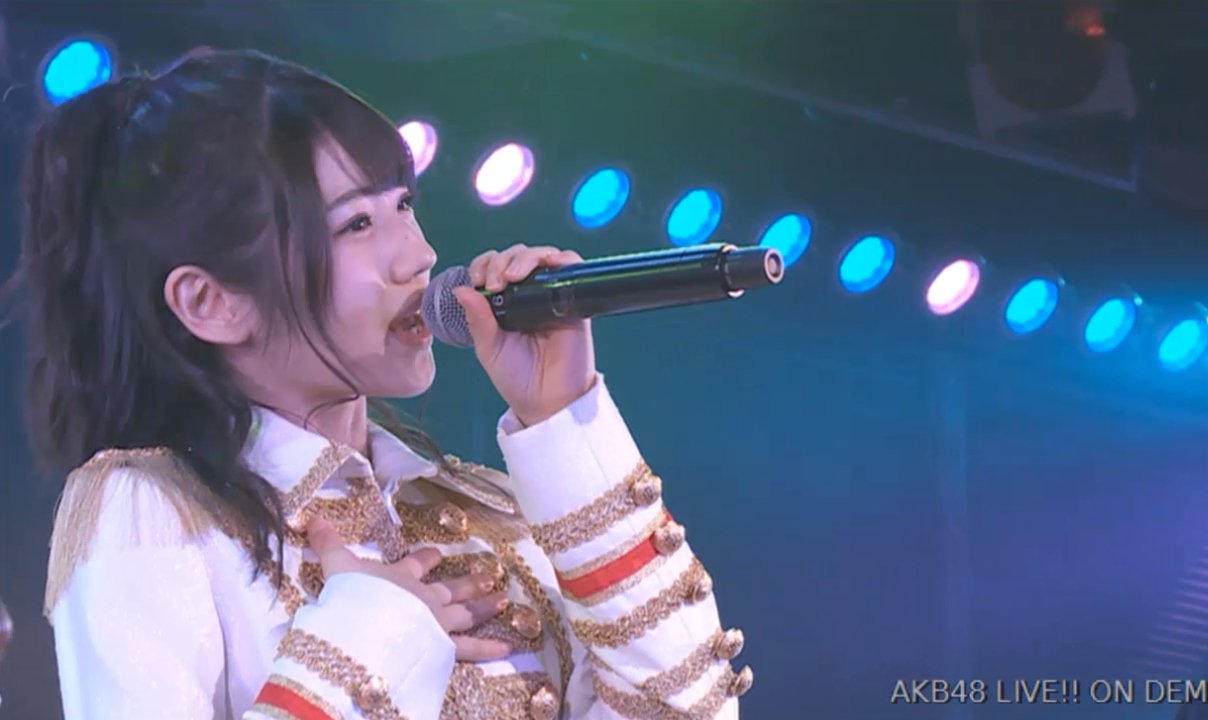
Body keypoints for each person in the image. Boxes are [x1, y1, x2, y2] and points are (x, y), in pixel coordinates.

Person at [7, 48, 751, 719]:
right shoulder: (152, 509)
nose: (418, 255)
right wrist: (371, 636)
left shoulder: (488, 508)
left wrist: (564, 426)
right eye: (356, 226)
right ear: (213, 303)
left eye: (403, 206)